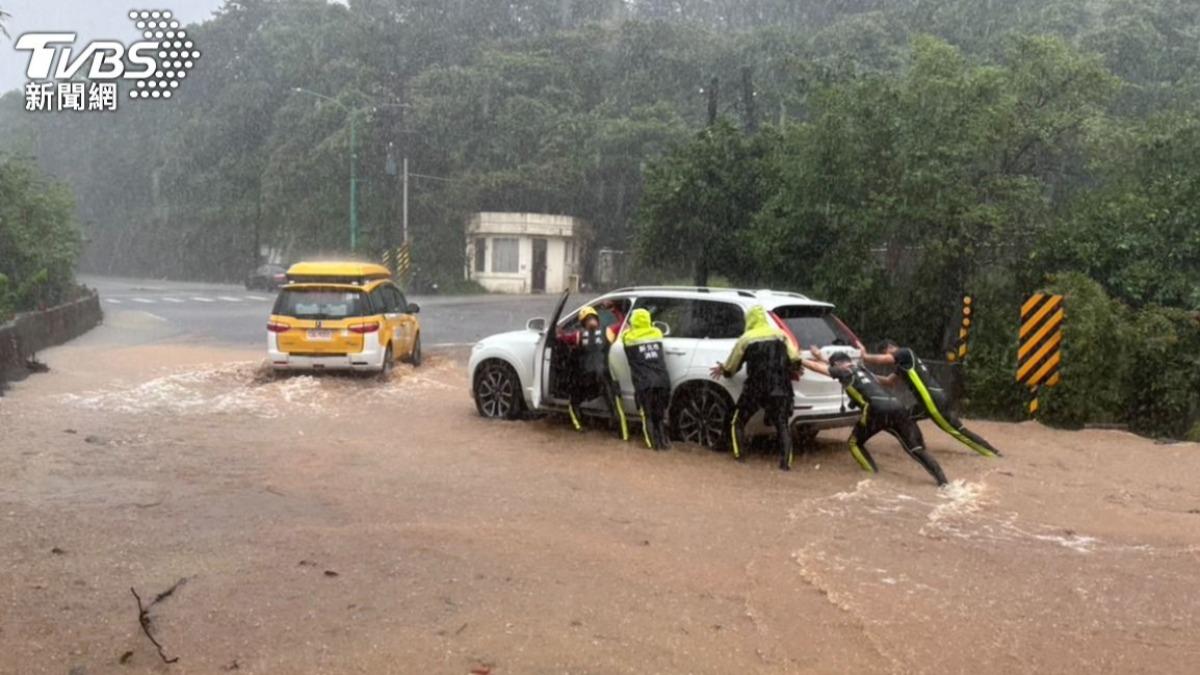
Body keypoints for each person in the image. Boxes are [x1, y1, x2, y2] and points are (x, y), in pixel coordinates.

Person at [803, 349, 948, 487]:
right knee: (915, 449)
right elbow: (834, 367)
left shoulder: (844, 372)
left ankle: (872, 477)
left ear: (837, 365)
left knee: (854, 443)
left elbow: (818, 368)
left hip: (876, 410)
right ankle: (943, 480)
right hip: (897, 406)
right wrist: (820, 357)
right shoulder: (864, 370)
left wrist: (799, 359)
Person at [859, 340, 1001, 458]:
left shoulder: (904, 352)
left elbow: (883, 360)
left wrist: (865, 356)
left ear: (890, 348)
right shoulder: (903, 364)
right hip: (927, 402)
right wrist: (867, 374)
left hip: (932, 401)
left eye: (886, 353)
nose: (891, 360)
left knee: (956, 431)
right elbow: (889, 382)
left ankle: (991, 453)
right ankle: (920, 448)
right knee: (906, 418)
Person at [709, 305, 802, 471]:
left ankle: (740, 458)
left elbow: (731, 367)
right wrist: (793, 368)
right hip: (781, 387)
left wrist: (724, 370)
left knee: (736, 421)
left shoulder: (746, 339)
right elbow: (795, 358)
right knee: (782, 425)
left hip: (756, 388)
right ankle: (785, 465)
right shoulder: (781, 335)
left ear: (749, 319)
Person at [558, 305, 629, 440]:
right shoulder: (608, 331)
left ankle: (579, 427)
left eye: (590, 318)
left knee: (574, 402)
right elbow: (624, 324)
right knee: (615, 406)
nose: (591, 321)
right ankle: (623, 437)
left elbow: (563, 338)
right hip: (603, 375)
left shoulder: (578, 335)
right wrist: (615, 309)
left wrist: (558, 332)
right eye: (589, 319)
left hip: (588, 377)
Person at [622, 308, 672, 450]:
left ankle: (653, 448)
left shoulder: (629, 337)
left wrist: (627, 328)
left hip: (645, 384)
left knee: (648, 417)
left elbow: (622, 337)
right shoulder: (657, 333)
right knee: (659, 416)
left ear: (633, 322)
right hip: (663, 381)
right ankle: (664, 444)